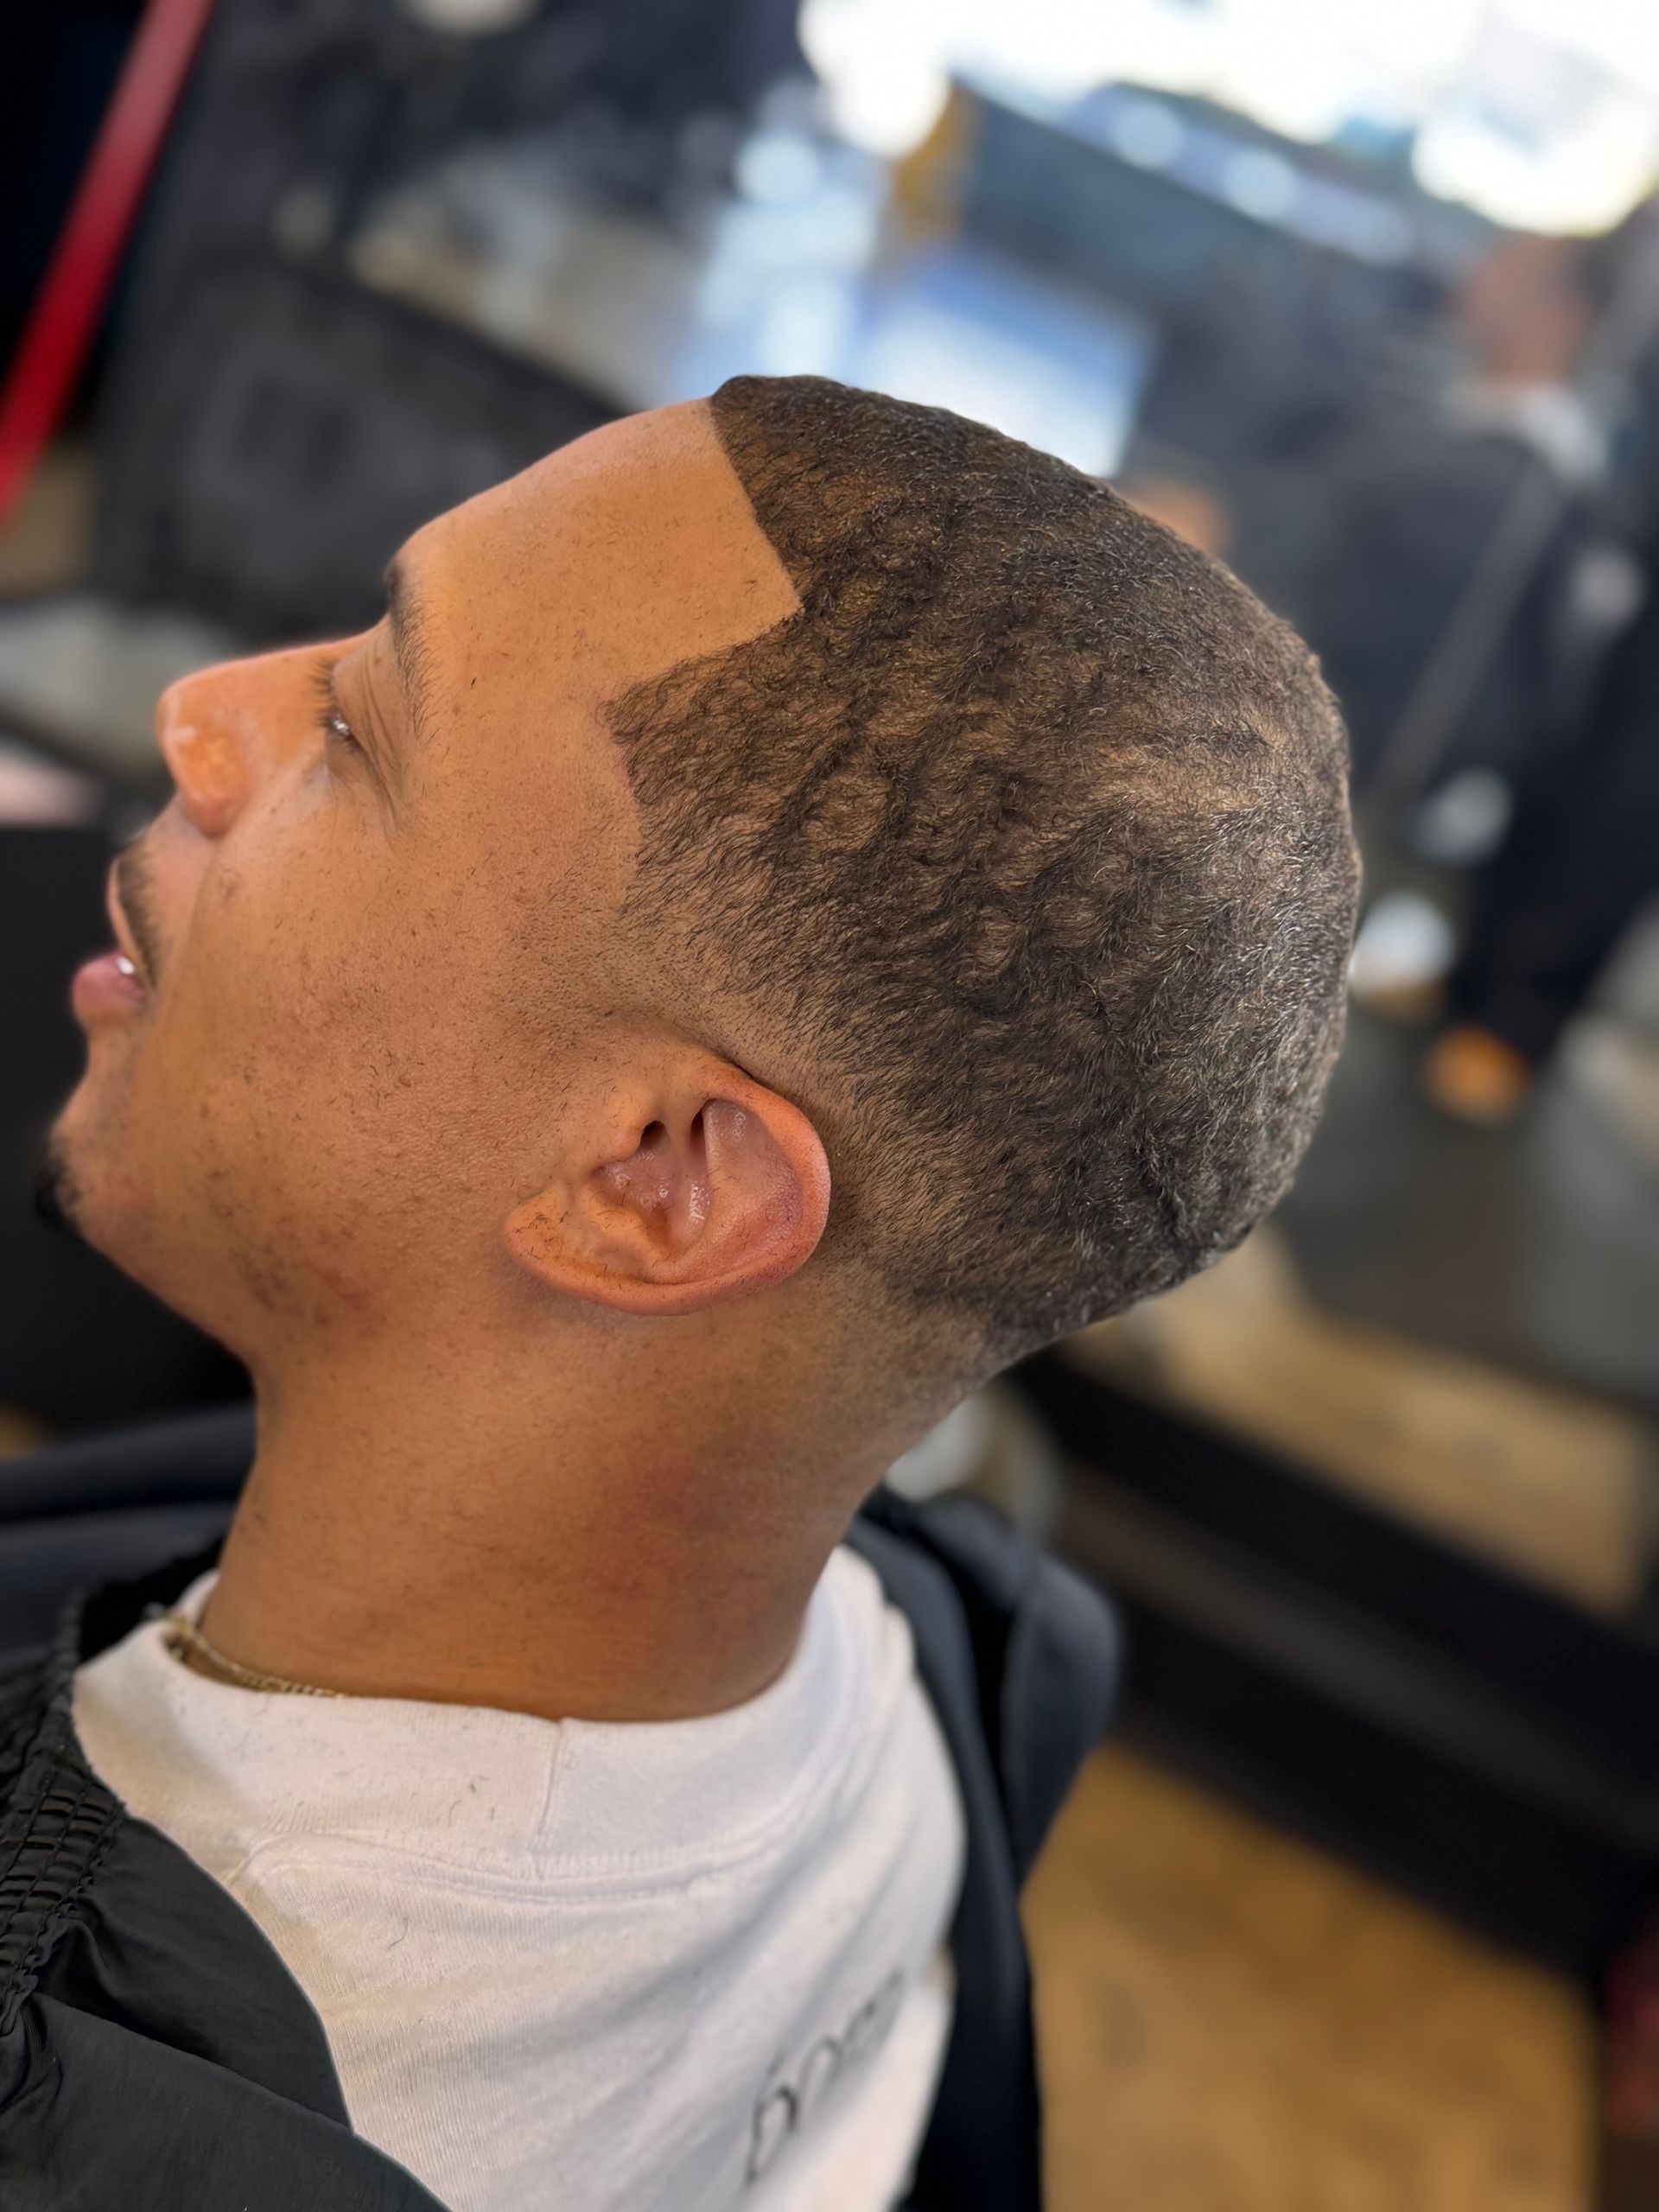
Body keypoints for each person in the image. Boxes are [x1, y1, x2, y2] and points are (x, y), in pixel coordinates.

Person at [3, 375, 1358, 2211]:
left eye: (357, 725)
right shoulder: (923, 1670)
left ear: (659, 1178)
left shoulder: (106, 2108)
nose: (203, 716)